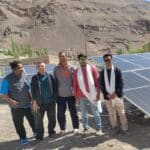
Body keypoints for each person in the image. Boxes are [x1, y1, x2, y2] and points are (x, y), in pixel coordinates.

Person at [0, 61, 35, 145]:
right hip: (17, 107)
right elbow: (4, 94)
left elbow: (29, 87)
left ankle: (35, 132)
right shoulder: (6, 80)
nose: (22, 69)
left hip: (27, 104)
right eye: (19, 68)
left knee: (33, 120)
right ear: (13, 69)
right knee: (19, 124)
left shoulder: (24, 75)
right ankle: (23, 138)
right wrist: (11, 101)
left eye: (22, 67)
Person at [73, 53, 103, 136]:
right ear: (79, 61)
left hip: (92, 94)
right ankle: (85, 128)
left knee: (95, 112)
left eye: (84, 59)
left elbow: (97, 82)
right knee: (83, 113)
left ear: (86, 60)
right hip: (81, 96)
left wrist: (98, 94)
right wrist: (76, 97)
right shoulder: (76, 71)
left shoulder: (92, 69)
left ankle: (99, 128)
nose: (82, 61)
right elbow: (75, 85)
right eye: (81, 59)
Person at [100, 53, 128, 135]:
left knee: (121, 113)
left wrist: (115, 93)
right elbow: (102, 85)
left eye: (109, 59)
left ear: (111, 59)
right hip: (108, 97)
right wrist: (106, 94)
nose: (107, 61)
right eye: (106, 60)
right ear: (104, 61)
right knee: (111, 114)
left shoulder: (117, 70)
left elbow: (121, 83)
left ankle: (124, 128)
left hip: (117, 96)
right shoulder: (102, 72)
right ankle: (114, 127)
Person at [54, 51, 79, 135]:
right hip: (60, 96)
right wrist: (56, 95)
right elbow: (55, 82)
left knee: (74, 112)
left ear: (66, 57)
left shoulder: (72, 68)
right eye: (60, 56)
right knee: (60, 113)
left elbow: (76, 82)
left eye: (64, 56)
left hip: (71, 95)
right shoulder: (56, 69)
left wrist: (76, 93)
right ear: (59, 58)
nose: (62, 58)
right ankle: (63, 129)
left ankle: (76, 128)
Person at [31, 62, 56, 144]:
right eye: (38, 66)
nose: (40, 67)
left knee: (52, 119)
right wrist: (34, 101)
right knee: (38, 121)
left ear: (45, 67)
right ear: (36, 68)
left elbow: (55, 88)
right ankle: (39, 137)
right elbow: (33, 90)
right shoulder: (34, 78)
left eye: (42, 66)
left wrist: (54, 99)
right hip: (39, 104)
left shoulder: (50, 76)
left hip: (50, 103)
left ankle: (51, 132)